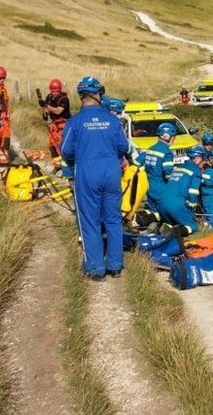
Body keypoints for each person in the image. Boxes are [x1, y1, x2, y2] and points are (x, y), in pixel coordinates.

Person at [61, 76, 129, 280]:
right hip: (111, 172)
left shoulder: (75, 122)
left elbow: (65, 150)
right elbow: (124, 147)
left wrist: (77, 162)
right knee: (113, 219)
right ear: (98, 93)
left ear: (82, 95)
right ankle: (115, 265)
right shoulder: (113, 120)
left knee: (89, 221)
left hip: (87, 173)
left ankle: (95, 268)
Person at [158, 145, 206, 236]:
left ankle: (159, 229)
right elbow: (193, 192)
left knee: (172, 223)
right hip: (175, 205)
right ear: (198, 158)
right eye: (203, 160)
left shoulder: (179, 167)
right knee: (193, 227)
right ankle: (172, 232)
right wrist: (191, 207)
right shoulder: (196, 171)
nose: (204, 163)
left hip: (161, 203)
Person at [135, 122, 176, 213]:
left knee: (152, 213)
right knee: (163, 213)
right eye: (173, 136)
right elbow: (168, 174)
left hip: (149, 186)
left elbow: (136, 162)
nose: (174, 139)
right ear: (167, 136)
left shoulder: (150, 149)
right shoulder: (167, 152)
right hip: (161, 187)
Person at [40, 78, 70, 160]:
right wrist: (44, 113)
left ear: (60, 90)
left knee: (61, 145)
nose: (54, 93)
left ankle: (64, 166)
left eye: (56, 91)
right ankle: (56, 165)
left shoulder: (64, 99)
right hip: (54, 124)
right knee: (52, 145)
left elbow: (58, 111)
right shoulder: (49, 97)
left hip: (63, 125)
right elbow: (46, 109)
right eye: (52, 91)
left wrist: (46, 105)